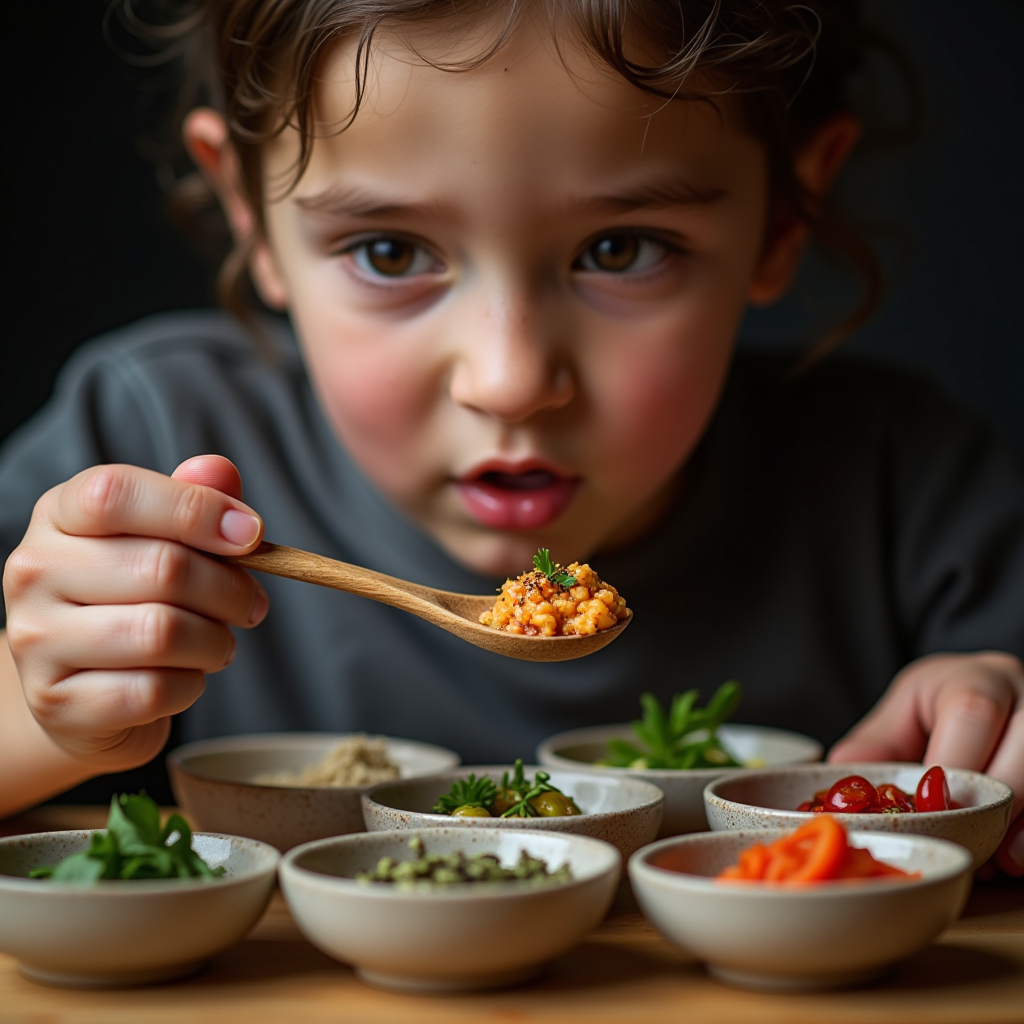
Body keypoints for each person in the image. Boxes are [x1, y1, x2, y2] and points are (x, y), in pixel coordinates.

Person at [1, 0, 1021, 874]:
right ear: (250, 218)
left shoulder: (908, 491)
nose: (511, 379)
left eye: (621, 249)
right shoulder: (142, 442)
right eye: (390, 251)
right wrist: (37, 715)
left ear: (788, 211)